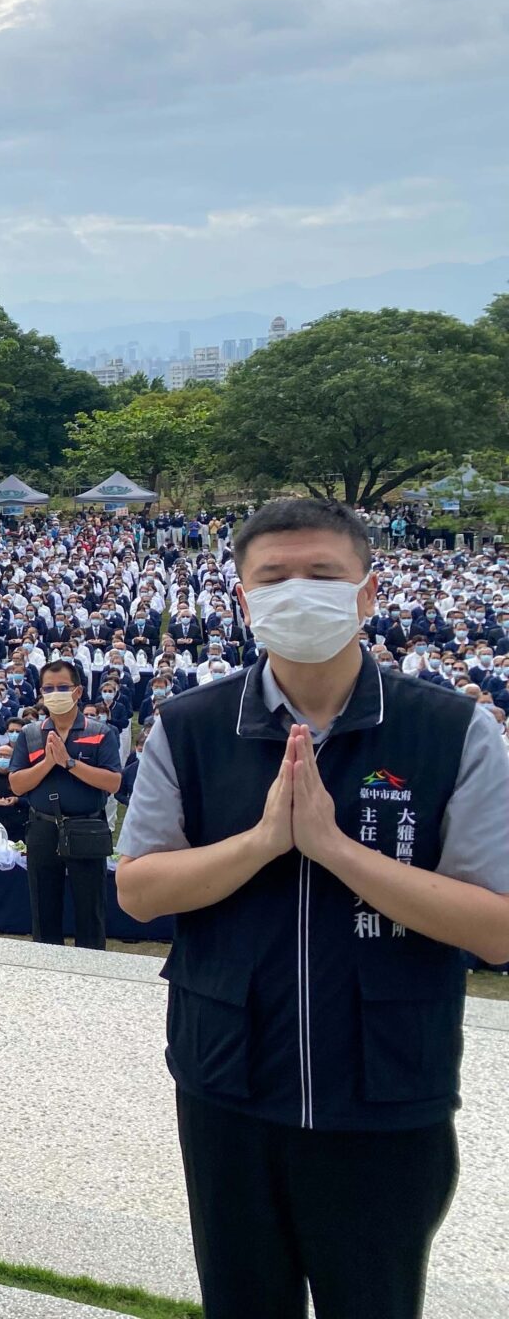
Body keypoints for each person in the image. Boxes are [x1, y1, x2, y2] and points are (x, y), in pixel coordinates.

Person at [117, 498, 509, 1319]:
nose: (299, 593)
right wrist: (263, 842)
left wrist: (336, 850)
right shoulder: (190, 726)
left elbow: (494, 924)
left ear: (368, 593)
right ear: (242, 599)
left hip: (385, 1091)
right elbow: (139, 887)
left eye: (324, 575)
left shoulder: (450, 730)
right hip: (228, 1083)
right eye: (275, 577)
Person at [8, 657, 122, 948]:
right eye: (48, 688)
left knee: (90, 909)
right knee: (44, 909)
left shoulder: (100, 733)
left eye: (62, 687)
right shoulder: (31, 734)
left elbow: (113, 783)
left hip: (86, 826)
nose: (54, 693)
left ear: (78, 692)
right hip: (43, 828)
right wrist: (48, 762)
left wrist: (69, 763)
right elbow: (18, 784)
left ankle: (91, 969)